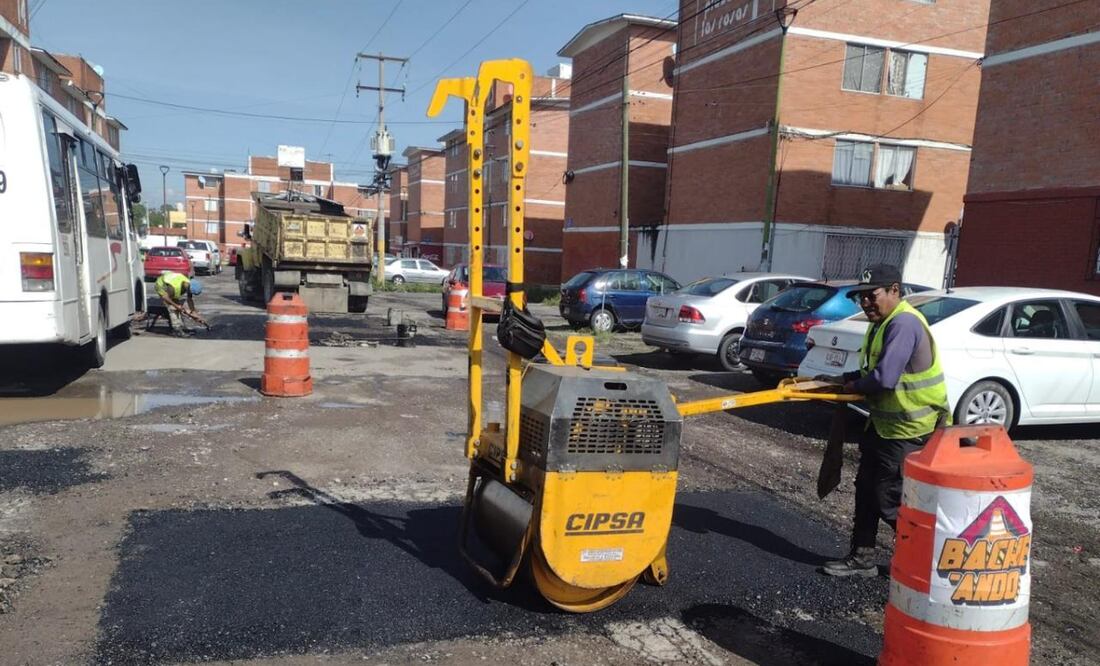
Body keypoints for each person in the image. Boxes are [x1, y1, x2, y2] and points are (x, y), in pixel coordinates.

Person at [818, 264, 949, 577]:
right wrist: (841, 379)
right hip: (884, 426)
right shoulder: (881, 323)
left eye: (871, 295)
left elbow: (885, 378)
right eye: (861, 297)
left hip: (909, 430)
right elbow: (872, 372)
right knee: (866, 490)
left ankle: (926, 565)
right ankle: (862, 558)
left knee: (889, 499)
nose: (865, 302)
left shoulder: (903, 323)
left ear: (894, 290)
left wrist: (853, 387)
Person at [154, 271, 203, 337]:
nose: (189, 293)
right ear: (188, 287)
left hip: (171, 285)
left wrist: (193, 312)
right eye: (189, 291)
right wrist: (176, 306)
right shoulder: (175, 287)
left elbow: (189, 299)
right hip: (162, 285)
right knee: (173, 308)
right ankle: (176, 330)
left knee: (179, 307)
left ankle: (182, 327)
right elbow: (165, 297)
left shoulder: (188, 284)